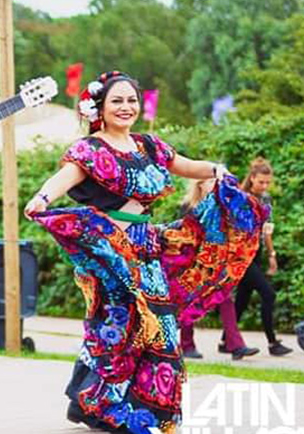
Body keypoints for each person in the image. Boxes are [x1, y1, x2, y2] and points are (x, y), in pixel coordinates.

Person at [24, 71, 268, 433]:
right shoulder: (89, 149)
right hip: (111, 252)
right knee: (120, 326)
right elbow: (65, 178)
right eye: (117, 101)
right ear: (100, 108)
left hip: (147, 247)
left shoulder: (149, 146)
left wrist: (218, 170)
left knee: (158, 327)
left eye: (131, 100)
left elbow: (185, 166)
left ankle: (123, 406)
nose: (126, 107)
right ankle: (102, 406)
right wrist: (42, 200)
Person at [177, 179, 259, 360]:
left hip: (216, 261)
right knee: (189, 301)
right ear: (199, 184)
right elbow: (184, 235)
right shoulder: (189, 206)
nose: (215, 185)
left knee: (225, 299)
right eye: (210, 182)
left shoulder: (223, 205)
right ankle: (186, 344)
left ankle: (236, 346)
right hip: (193, 261)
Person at [226, 158, 293, 356]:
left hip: (256, 255)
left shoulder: (265, 199)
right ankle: (273, 343)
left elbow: (267, 231)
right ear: (252, 178)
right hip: (241, 256)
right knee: (269, 294)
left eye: (267, 182)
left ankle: (226, 340)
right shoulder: (240, 198)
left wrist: (271, 254)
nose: (264, 186)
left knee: (243, 299)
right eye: (261, 182)